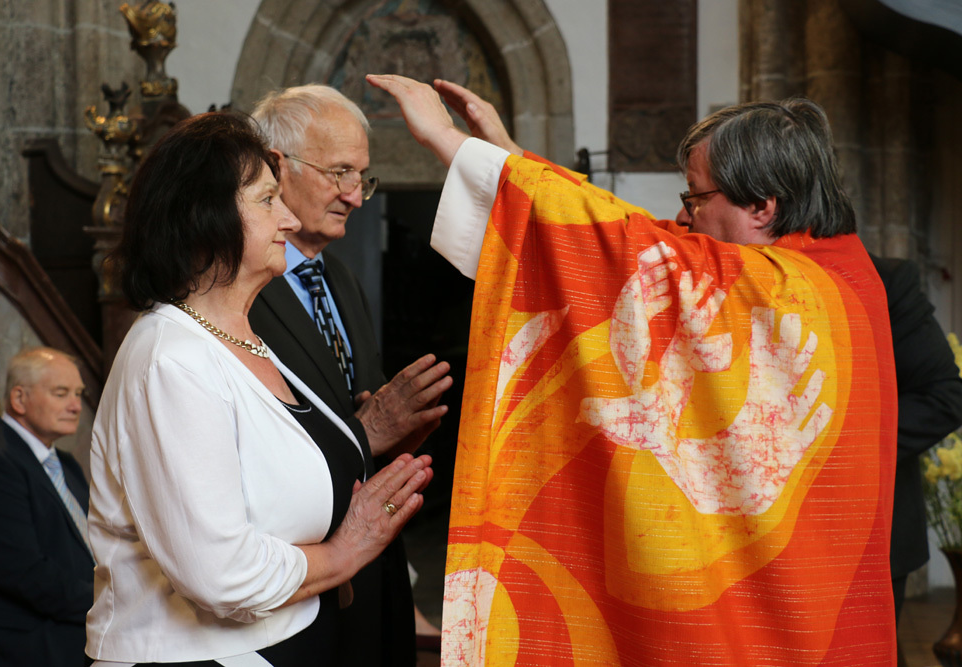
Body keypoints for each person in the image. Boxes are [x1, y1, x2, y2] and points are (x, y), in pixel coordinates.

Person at [367, 74, 898, 665]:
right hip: (810, 593)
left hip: (771, 610)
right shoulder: (845, 273)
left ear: (760, 205)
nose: (683, 217)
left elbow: (623, 245)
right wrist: (508, 157)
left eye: (696, 198)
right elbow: (625, 230)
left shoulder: (770, 287)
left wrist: (445, 139)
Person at [86, 111, 433, 666]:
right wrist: (344, 552)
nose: (289, 220)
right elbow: (222, 574)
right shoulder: (170, 358)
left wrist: (363, 449)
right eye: (268, 200)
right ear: (206, 217)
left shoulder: (244, 339)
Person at [249, 84, 452, 663]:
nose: (355, 196)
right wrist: (367, 432)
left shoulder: (336, 276)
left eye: (362, 177)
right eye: (339, 173)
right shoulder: (240, 287)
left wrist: (400, 432)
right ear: (276, 167)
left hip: (375, 559)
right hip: (301, 575)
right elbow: (257, 445)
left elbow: (360, 403)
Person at [0, 346, 93, 667]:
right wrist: (109, 601)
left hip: (79, 630)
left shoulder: (65, 463)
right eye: (61, 393)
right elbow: (24, 573)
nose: (76, 406)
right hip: (25, 648)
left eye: (78, 394)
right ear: (19, 399)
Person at [871, 256, 962, 658]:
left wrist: (845, 448)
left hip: (875, 533)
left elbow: (942, 397)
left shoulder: (884, 279)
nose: (687, 225)